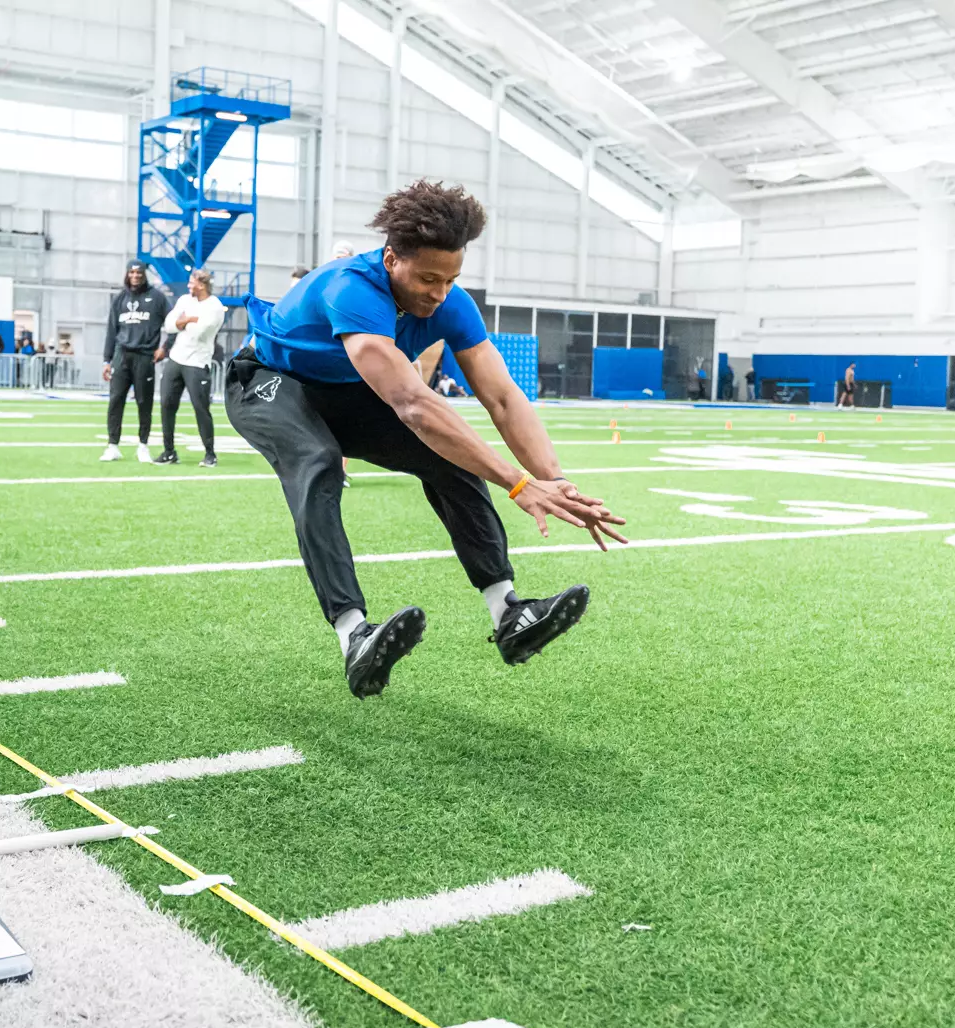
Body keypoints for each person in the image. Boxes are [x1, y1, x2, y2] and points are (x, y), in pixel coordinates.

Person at [226, 181, 626, 699]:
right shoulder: (351, 289)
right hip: (268, 381)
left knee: (456, 458)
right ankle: (354, 637)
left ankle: (509, 612)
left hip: (343, 391)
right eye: (428, 278)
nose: (438, 293)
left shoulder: (451, 304)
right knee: (317, 460)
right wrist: (517, 484)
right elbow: (413, 405)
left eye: (451, 279)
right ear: (392, 259)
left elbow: (503, 399)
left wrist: (556, 481)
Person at [101, 260, 170, 462]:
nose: (135, 275)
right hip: (121, 355)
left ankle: (143, 445)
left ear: (144, 274)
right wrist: (107, 360)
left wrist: (165, 347)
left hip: (145, 357)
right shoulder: (119, 299)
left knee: (144, 402)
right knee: (115, 401)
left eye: (139, 272)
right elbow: (111, 331)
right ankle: (112, 445)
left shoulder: (157, 297)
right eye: (132, 272)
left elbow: (174, 322)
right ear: (127, 274)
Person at [156, 268, 225, 467]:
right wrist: (186, 320)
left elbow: (199, 332)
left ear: (202, 285)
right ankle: (169, 452)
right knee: (167, 405)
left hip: (197, 362)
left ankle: (210, 454)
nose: (188, 286)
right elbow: (169, 324)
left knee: (201, 409)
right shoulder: (184, 301)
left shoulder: (215, 307)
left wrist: (184, 321)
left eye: (192, 282)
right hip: (176, 358)